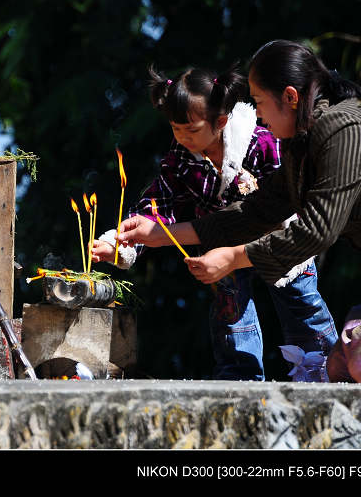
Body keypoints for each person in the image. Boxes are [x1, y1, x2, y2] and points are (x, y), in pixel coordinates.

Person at [117, 40, 361, 385]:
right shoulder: (301, 145)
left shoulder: (341, 129)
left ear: (289, 96)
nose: (255, 114)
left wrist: (235, 257)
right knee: (337, 367)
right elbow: (255, 211)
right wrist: (161, 234)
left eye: (259, 101)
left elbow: (318, 230)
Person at [91, 64, 337, 381]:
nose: (182, 138)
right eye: (176, 129)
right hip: (221, 246)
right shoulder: (180, 158)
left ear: (220, 122)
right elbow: (159, 204)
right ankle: (239, 378)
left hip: (280, 238)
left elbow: (287, 200)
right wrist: (124, 241)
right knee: (230, 312)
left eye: (191, 130)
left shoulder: (263, 143)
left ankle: (323, 371)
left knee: (300, 302)